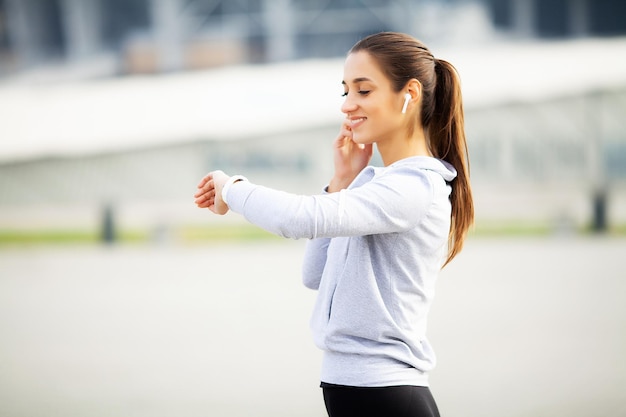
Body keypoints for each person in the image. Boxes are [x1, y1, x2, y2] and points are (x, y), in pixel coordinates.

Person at [194, 32, 473, 417]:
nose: (347, 105)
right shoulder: (378, 185)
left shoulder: (415, 187)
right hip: (356, 393)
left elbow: (299, 219)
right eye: (345, 91)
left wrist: (232, 189)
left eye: (363, 91)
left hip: (388, 396)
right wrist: (340, 182)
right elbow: (315, 274)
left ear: (409, 93)